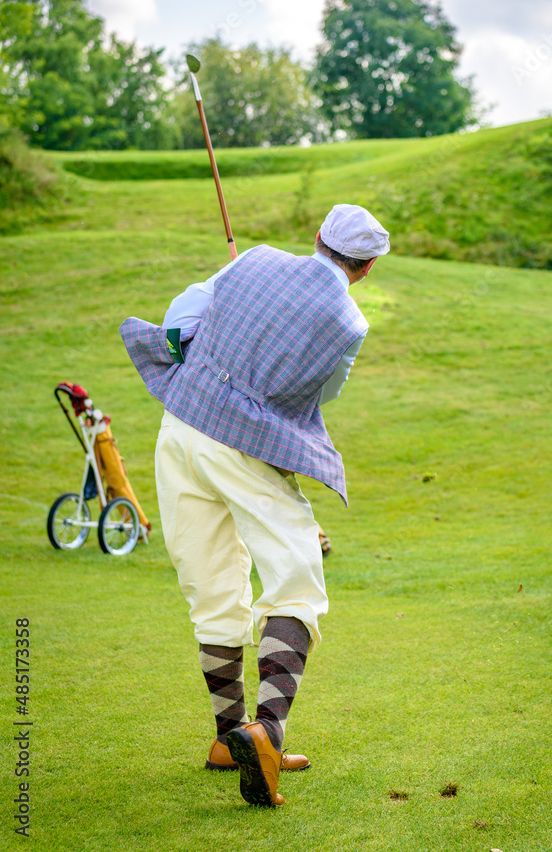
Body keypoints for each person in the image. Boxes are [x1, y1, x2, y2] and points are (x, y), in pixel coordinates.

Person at [119, 203, 390, 808]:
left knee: (211, 584)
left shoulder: (255, 259)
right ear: (367, 267)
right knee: (297, 579)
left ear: (316, 237)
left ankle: (227, 738)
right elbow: (322, 392)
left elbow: (184, 312)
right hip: (242, 445)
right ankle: (266, 733)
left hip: (179, 426)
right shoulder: (350, 323)